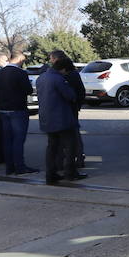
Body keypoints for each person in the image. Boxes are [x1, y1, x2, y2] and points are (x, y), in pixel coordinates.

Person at [34, 51, 77, 186]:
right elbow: (70, 96)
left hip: (47, 119)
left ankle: (50, 175)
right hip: (62, 119)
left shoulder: (41, 78)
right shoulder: (59, 79)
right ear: (63, 69)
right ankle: (70, 173)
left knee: (51, 148)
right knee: (70, 146)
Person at [54, 51, 88, 180]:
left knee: (72, 138)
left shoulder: (69, 75)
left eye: (52, 59)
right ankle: (72, 161)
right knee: (70, 137)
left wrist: (75, 105)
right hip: (68, 110)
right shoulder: (65, 74)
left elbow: (76, 93)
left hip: (69, 110)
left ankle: (76, 161)